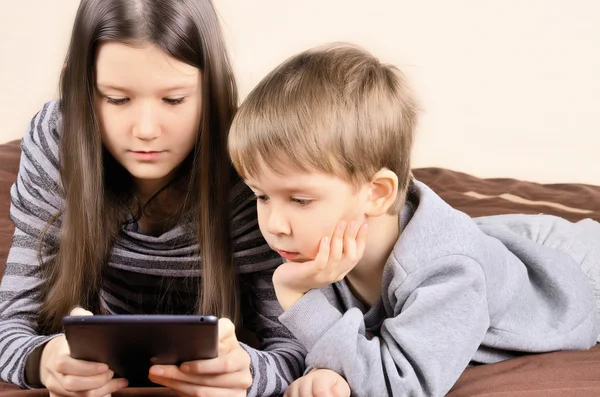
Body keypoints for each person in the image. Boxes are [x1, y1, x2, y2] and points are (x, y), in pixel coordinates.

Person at [227, 43, 600, 397]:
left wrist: (297, 297)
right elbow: (324, 345)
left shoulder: (449, 272)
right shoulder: (306, 246)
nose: (275, 223)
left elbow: (400, 386)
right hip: (499, 244)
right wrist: (325, 372)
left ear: (376, 193)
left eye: (300, 199)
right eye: (261, 195)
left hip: (580, 272)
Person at [0, 1, 306, 396]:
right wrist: (43, 361)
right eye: (116, 99)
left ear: (213, 89)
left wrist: (250, 371)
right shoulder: (56, 141)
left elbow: (297, 349)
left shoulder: (252, 163)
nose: (145, 130)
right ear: (79, 87)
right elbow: (9, 325)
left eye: (174, 100)